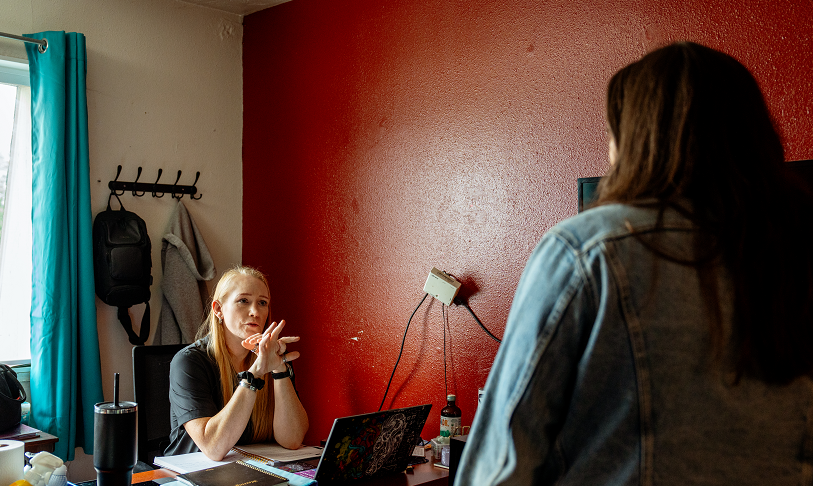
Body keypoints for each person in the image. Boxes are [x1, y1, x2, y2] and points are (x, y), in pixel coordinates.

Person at [456, 42, 813, 485]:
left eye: (612, 135)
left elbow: (502, 459)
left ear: (637, 142)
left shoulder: (588, 250)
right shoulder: (797, 255)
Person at [165, 265, 309, 460]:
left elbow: (291, 439)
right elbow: (213, 448)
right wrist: (255, 374)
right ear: (218, 309)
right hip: (194, 474)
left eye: (262, 303)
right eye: (243, 301)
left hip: (249, 470)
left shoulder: (272, 355)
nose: (255, 312)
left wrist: (279, 369)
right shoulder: (189, 362)